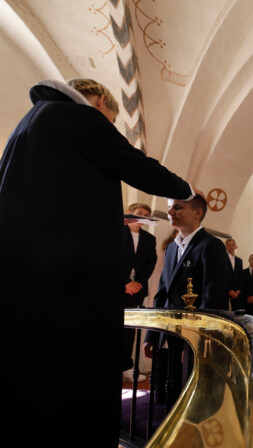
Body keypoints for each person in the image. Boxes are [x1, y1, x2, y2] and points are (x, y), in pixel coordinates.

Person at [0, 78, 195, 446]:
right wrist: (186, 190)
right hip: (69, 282)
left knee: (28, 371)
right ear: (102, 101)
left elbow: (52, 200)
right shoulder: (80, 117)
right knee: (75, 374)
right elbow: (134, 164)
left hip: (27, 273)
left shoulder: (30, 122)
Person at [143, 195, 228, 404]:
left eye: (178, 208)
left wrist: (196, 343)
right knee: (162, 399)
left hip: (190, 338)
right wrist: (152, 336)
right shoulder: (172, 248)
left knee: (189, 400)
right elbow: (162, 294)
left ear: (197, 213)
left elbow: (212, 299)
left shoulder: (211, 246)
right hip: (167, 335)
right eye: (170, 207)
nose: (170, 212)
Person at [122, 202, 157, 383]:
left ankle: (126, 367)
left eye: (146, 214)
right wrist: (125, 283)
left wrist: (137, 284)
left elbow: (150, 264)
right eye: (139, 212)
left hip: (136, 291)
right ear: (129, 213)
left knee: (129, 331)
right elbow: (108, 258)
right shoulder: (117, 231)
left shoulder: (149, 239)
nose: (142, 216)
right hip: (116, 288)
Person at [225, 238, 244, 310]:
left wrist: (239, 290)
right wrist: (229, 290)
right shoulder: (223, 258)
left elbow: (241, 276)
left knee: (237, 312)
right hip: (225, 289)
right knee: (224, 311)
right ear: (226, 247)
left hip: (236, 291)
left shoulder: (239, 260)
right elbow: (222, 276)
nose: (231, 247)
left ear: (236, 247)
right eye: (229, 245)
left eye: (233, 245)